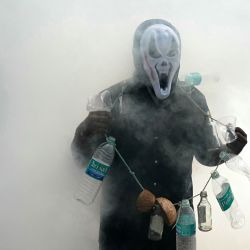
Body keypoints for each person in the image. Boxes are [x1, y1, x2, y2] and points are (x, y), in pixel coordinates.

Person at [72, 19, 247, 250]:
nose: (164, 63)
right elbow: (80, 158)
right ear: (138, 55)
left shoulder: (193, 100)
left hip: (176, 226)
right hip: (121, 226)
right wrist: (85, 130)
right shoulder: (114, 98)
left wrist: (230, 149)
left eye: (171, 53)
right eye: (154, 53)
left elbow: (206, 155)